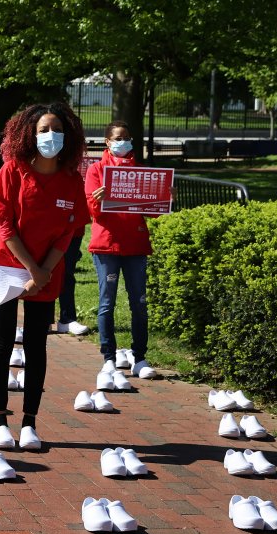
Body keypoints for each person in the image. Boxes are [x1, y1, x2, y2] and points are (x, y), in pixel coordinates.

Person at [0, 101, 89, 450]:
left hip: (46, 271)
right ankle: (0, 422)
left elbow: (69, 231)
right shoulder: (13, 170)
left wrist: (43, 272)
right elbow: (4, 224)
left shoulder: (71, 180)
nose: (51, 136)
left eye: (56, 130)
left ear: (68, 136)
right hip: (7, 264)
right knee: (2, 343)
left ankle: (30, 424)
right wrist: (32, 270)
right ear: (29, 134)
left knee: (37, 347)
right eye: (43, 130)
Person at [84, 121, 157, 379]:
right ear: (107, 142)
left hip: (135, 246)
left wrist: (164, 197)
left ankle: (140, 358)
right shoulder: (96, 170)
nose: (123, 142)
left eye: (127, 137)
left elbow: (152, 211)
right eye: (118, 138)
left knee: (139, 303)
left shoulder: (140, 171)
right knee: (107, 303)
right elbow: (89, 210)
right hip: (107, 246)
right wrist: (97, 200)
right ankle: (109, 357)